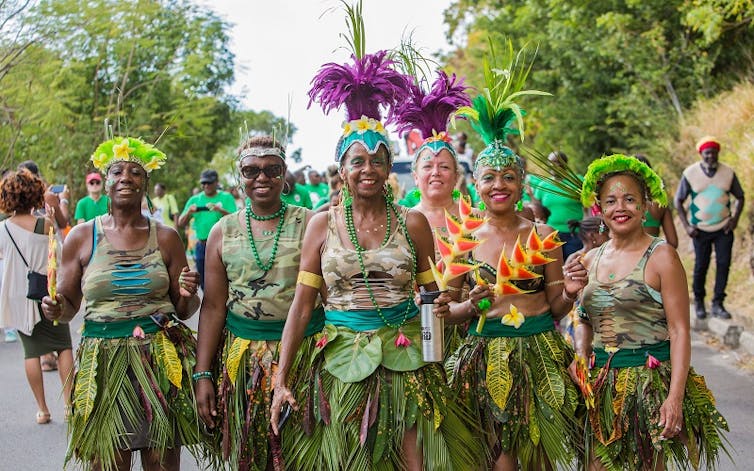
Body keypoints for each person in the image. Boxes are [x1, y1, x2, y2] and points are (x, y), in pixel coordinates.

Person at [270, 11, 484, 469]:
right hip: (342, 362)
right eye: (357, 161)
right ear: (342, 171)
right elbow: (303, 305)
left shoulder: (412, 223)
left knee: (414, 462)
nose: (368, 169)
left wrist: (445, 309)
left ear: (389, 169)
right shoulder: (321, 225)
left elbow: (431, 296)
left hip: (409, 359)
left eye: (377, 160)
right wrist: (281, 375)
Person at [448, 45, 584, 470]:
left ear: (523, 184)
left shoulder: (544, 236)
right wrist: (467, 305)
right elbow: (447, 311)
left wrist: (573, 293)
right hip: (483, 356)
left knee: (539, 457)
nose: (499, 185)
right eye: (489, 177)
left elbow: (557, 304)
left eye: (509, 177)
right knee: (495, 458)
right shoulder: (464, 239)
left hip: (540, 354)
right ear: (476, 184)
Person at [41, 136, 202, 470]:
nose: (126, 177)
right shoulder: (82, 236)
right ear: (106, 181)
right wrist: (56, 309)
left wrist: (188, 295)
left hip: (159, 360)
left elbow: (184, 309)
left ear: (146, 183)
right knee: (109, 461)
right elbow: (69, 304)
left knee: (160, 460)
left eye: (135, 172)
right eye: (117, 171)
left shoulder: (167, 237)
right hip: (104, 359)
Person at [573, 154, 729, 470]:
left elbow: (680, 331)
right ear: (599, 210)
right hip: (601, 389)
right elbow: (582, 316)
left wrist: (674, 398)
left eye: (630, 199)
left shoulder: (662, 258)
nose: (620, 208)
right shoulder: (590, 260)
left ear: (645, 206)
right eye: (611, 201)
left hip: (647, 387)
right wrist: (580, 353)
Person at [193, 135, 325, 470]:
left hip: (303, 354)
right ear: (240, 178)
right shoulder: (222, 232)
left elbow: (330, 293)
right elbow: (212, 307)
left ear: (285, 175)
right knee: (251, 455)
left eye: (271, 169)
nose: (261, 178)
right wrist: (203, 373)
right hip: (244, 359)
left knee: (306, 452)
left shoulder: (311, 222)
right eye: (251, 171)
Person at [0, 168, 74, 424]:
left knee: (31, 352)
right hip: (48, 293)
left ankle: (42, 410)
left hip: (18, 296)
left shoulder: (3, 229)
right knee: (63, 346)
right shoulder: (45, 224)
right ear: (34, 195)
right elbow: (60, 255)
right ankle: (69, 405)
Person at [674, 136, 745, 319]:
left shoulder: (728, 173)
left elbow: (740, 197)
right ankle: (699, 302)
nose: (711, 157)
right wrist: (687, 226)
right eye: (707, 153)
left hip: (724, 228)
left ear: (718, 153)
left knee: (723, 265)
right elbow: (678, 201)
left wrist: (734, 220)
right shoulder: (690, 174)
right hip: (700, 229)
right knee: (701, 266)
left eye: (714, 153)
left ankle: (718, 304)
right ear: (701, 154)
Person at [178, 169, 236, 289]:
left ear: (216, 182)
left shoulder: (226, 197)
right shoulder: (195, 200)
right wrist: (189, 212)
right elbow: (181, 223)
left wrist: (220, 210)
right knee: (204, 281)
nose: (206, 186)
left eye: (209, 183)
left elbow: (236, 220)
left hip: (223, 244)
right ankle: (209, 304)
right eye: (203, 183)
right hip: (202, 245)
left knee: (224, 279)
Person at [529, 151, 585, 259]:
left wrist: (586, 226)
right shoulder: (543, 185)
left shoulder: (578, 181)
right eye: (551, 163)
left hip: (575, 234)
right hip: (551, 234)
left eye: (558, 162)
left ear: (565, 164)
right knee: (553, 268)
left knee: (573, 267)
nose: (554, 166)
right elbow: (536, 207)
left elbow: (589, 206)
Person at [632, 154, 678, 248]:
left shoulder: (623, 204)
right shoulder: (660, 202)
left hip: (628, 256)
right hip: (653, 255)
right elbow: (673, 242)